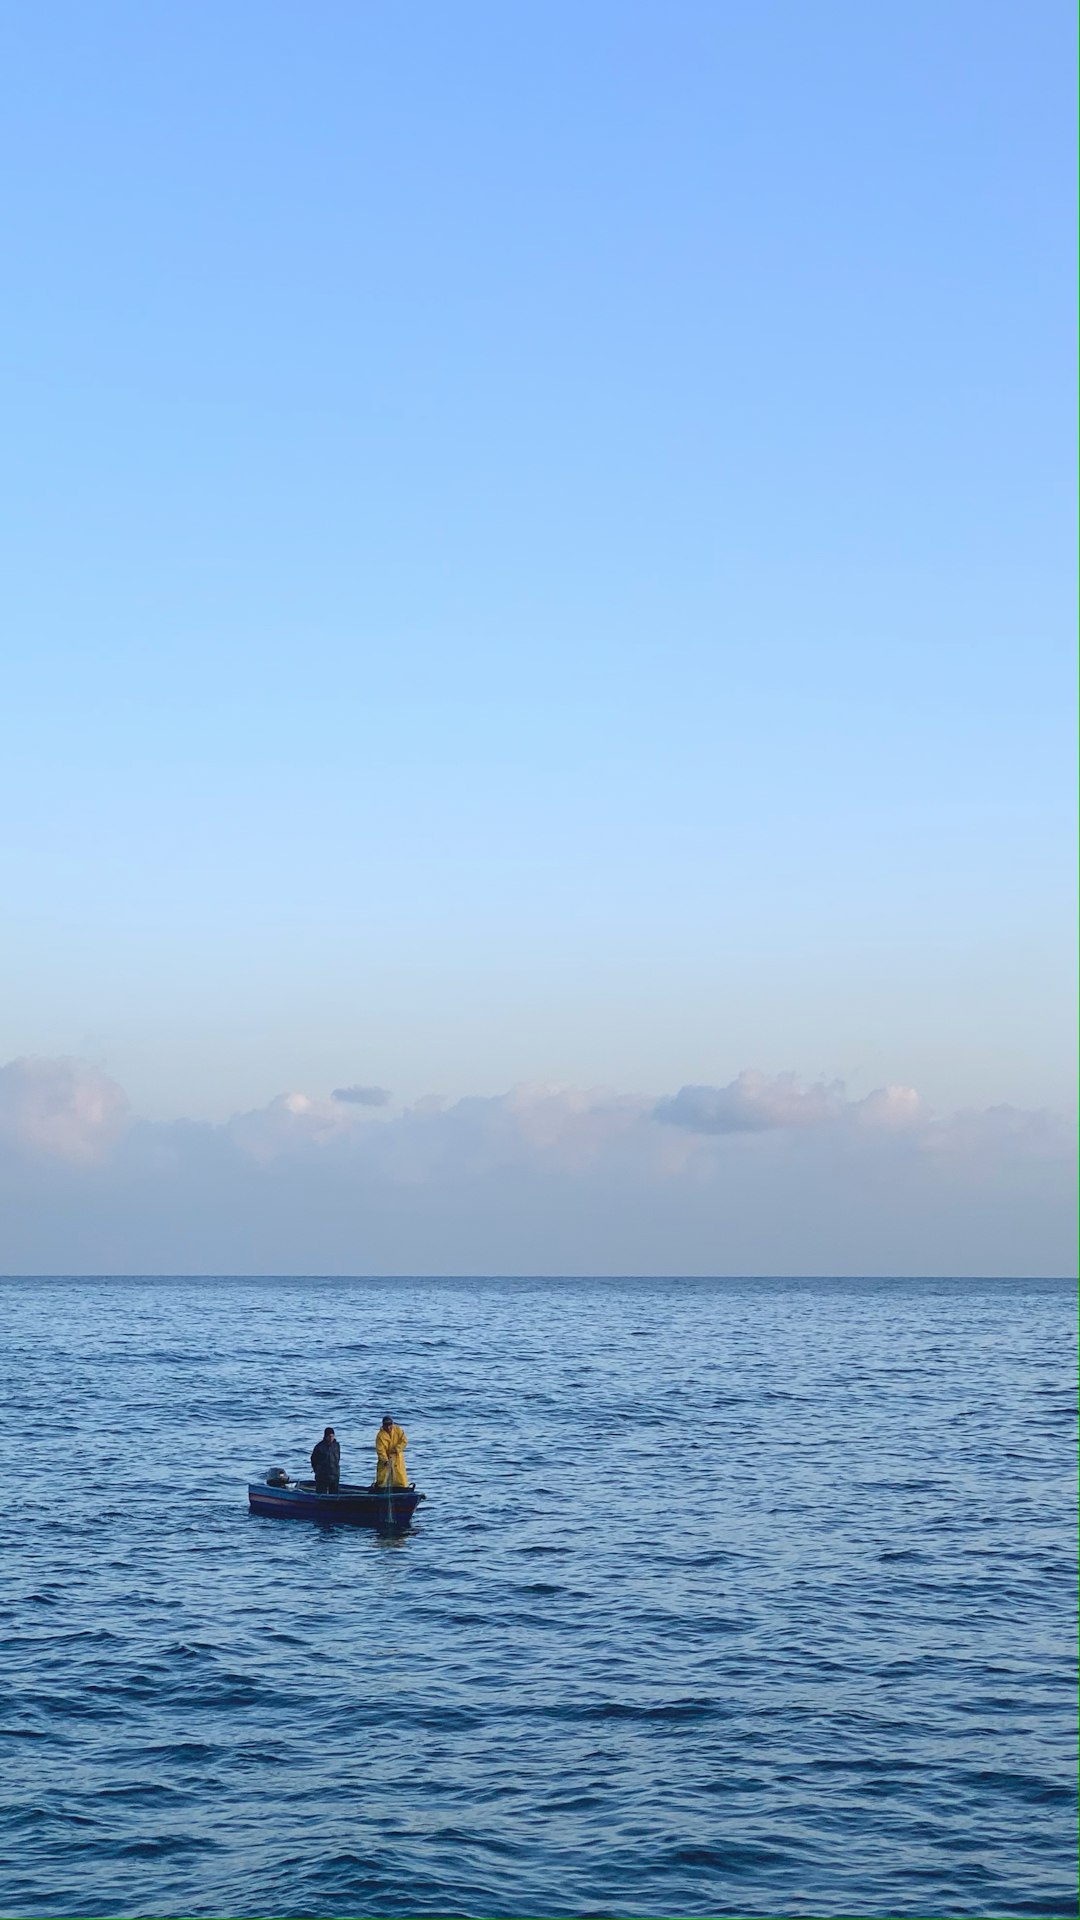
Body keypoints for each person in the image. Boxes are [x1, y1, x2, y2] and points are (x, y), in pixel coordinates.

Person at [375, 1413, 408, 1488]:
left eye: (390, 1425)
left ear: (392, 1424)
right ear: (383, 1425)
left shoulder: (398, 1430)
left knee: (400, 1478)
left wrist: (397, 1449)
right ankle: (381, 1490)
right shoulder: (380, 1436)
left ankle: (401, 1489)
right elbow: (380, 1451)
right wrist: (385, 1460)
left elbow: (404, 1441)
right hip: (385, 1461)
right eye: (386, 1425)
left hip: (397, 1458)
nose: (388, 1427)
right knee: (383, 1479)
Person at [310, 1426, 340, 1494]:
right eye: (329, 1436)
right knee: (321, 1493)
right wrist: (316, 1470)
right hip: (322, 1475)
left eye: (332, 1436)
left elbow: (338, 1458)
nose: (331, 1438)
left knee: (334, 1494)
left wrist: (336, 1468)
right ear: (326, 1436)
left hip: (334, 1475)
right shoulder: (319, 1447)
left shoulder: (336, 1445)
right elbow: (313, 1459)